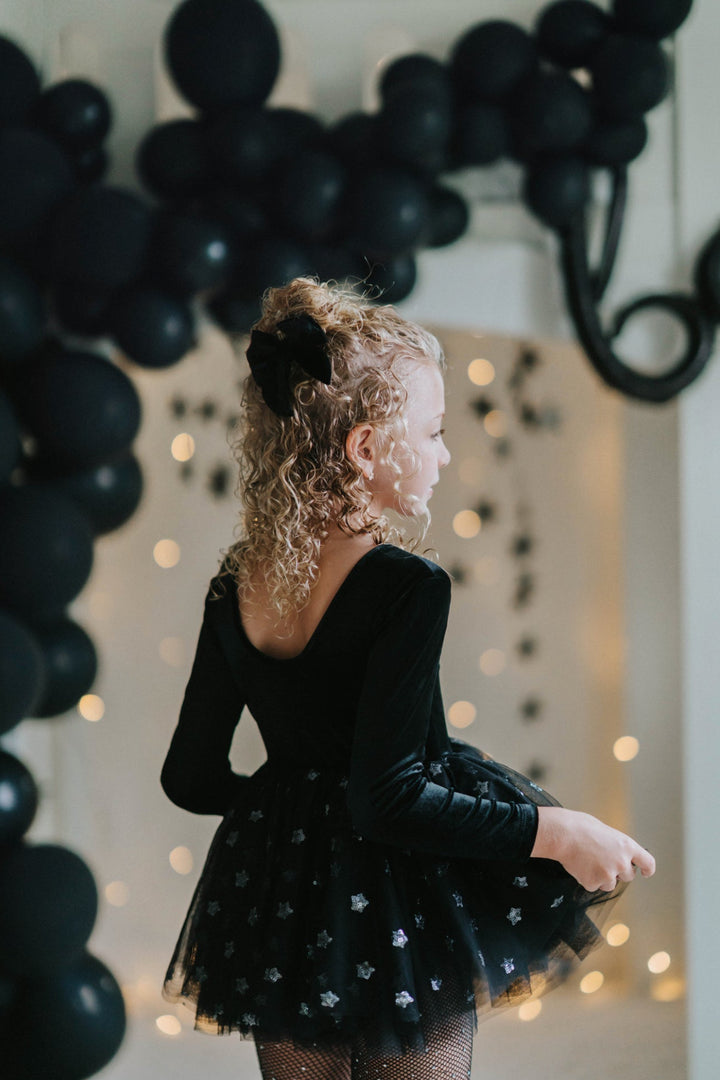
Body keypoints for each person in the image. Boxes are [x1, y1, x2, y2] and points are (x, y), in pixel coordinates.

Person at [159, 276, 655, 1080]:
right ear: (363, 448)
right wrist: (560, 832)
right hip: (397, 900)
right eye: (430, 432)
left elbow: (189, 776)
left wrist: (288, 816)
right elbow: (386, 797)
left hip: (285, 903)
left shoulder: (235, 584)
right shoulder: (406, 587)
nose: (444, 453)